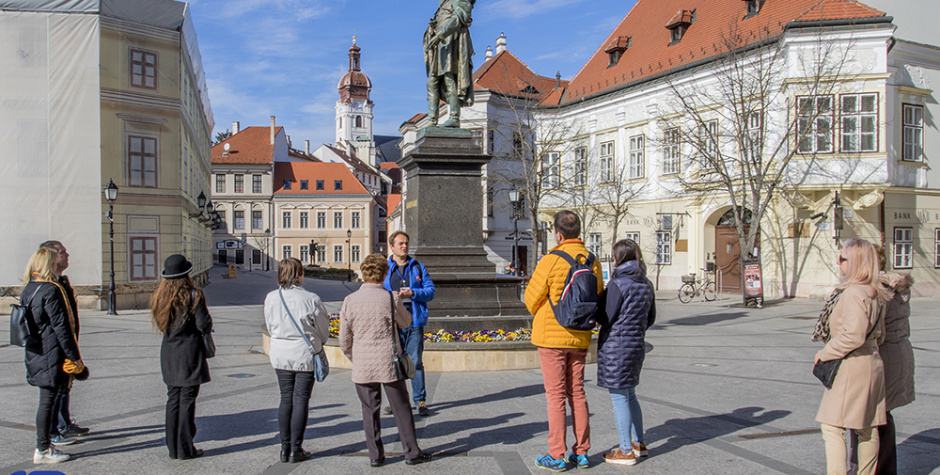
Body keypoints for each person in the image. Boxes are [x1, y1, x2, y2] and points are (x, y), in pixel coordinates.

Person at [524, 210, 603, 471]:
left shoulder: (551, 260)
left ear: (558, 233)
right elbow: (598, 294)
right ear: (577, 231)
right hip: (580, 336)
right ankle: (581, 452)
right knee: (577, 392)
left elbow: (531, 299)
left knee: (555, 395)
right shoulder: (592, 260)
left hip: (551, 337)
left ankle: (556, 454)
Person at [339, 253, 432, 467]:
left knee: (369, 410)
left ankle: (375, 456)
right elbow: (406, 322)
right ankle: (411, 452)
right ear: (384, 275)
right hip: (389, 361)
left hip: (363, 363)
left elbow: (344, 340)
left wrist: (355, 356)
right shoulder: (391, 298)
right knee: (401, 408)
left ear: (363, 275)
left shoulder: (349, 301)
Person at [813, 238, 890, 475]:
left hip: (853, 364)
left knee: (832, 426)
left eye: (843, 258)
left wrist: (824, 353)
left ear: (855, 262)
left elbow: (853, 336)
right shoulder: (876, 291)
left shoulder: (854, 293)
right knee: (867, 427)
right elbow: (880, 335)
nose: (839, 263)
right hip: (871, 362)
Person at [263, 258, 330, 463]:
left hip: (280, 353)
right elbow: (323, 329)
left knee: (285, 397)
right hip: (303, 354)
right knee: (301, 399)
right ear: (299, 275)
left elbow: (269, 324)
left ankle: (284, 448)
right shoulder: (310, 298)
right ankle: (295, 448)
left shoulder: (271, 297)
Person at [848, 271, 915, 475]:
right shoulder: (894, 287)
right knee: (880, 415)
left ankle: (867, 468)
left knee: (866, 416)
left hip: (883, 355)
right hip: (898, 353)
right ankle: (883, 469)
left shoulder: (880, 290)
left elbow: (869, 331)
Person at [597, 239, 655, 466]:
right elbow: (651, 317)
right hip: (636, 344)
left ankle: (625, 450)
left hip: (617, 345)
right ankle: (639, 443)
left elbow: (606, 317)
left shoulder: (618, 283)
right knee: (630, 395)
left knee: (620, 397)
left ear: (618, 258)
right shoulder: (646, 283)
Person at [22, 247, 83, 464]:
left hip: (36, 351)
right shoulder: (51, 290)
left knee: (47, 400)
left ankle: (45, 444)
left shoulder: (29, 288)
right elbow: (61, 327)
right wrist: (74, 357)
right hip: (51, 353)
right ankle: (43, 448)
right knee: (48, 401)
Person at [150, 254, 212, 460]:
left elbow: (161, 324)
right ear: (186, 274)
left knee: (173, 399)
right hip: (189, 353)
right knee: (187, 400)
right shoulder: (194, 294)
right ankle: (185, 447)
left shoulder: (159, 296)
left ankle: (173, 447)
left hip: (169, 352)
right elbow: (203, 325)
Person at [38, 241, 90, 438]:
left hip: (67, 342)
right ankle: (55, 429)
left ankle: (64, 422)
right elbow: (57, 322)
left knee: (65, 385)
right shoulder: (49, 286)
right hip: (55, 346)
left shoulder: (62, 281)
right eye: (62, 252)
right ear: (50, 257)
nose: (67, 255)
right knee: (55, 390)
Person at [382, 231, 435, 417]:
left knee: (415, 362)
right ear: (392, 247)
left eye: (406, 243)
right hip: (393, 322)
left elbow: (430, 292)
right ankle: (394, 400)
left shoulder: (418, 267)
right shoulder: (385, 269)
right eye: (400, 243)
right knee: (393, 362)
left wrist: (412, 293)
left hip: (414, 321)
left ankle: (420, 401)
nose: (404, 246)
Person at [423, 0, 475, 127]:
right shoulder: (443, 3)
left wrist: (440, 34)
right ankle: (432, 120)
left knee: (449, 78)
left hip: (452, 43)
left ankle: (454, 117)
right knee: (432, 82)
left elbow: (458, 18)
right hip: (441, 45)